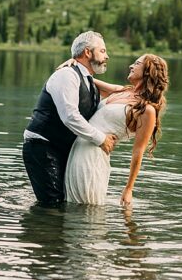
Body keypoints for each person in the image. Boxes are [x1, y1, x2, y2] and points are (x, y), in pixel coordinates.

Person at [22, 31, 117, 206]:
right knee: (53, 204)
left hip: (64, 149)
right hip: (42, 146)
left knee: (66, 201)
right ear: (87, 52)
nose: (107, 56)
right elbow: (70, 117)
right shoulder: (66, 75)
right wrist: (101, 139)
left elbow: (123, 92)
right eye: (102, 51)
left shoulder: (88, 82)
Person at [65, 54, 168, 206]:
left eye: (137, 63)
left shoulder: (147, 110)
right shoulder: (122, 91)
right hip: (78, 149)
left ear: (147, 71)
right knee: (74, 207)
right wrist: (74, 65)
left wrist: (129, 188)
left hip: (93, 155)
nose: (131, 66)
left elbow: (138, 152)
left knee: (85, 209)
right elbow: (85, 79)